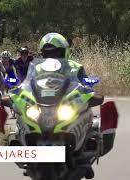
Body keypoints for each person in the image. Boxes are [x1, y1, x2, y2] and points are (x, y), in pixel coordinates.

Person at [38, 32, 93, 179]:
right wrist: (14, 93)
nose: (53, 57)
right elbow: (26, 85)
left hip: (68, 105)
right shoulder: (37, 68)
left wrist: (90, 91)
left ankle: (85, 153)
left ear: (64, 51)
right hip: (44, 108)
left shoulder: (75, 67)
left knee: (87, 115)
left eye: (56, 53)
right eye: (48, 53)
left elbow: (87, 85)